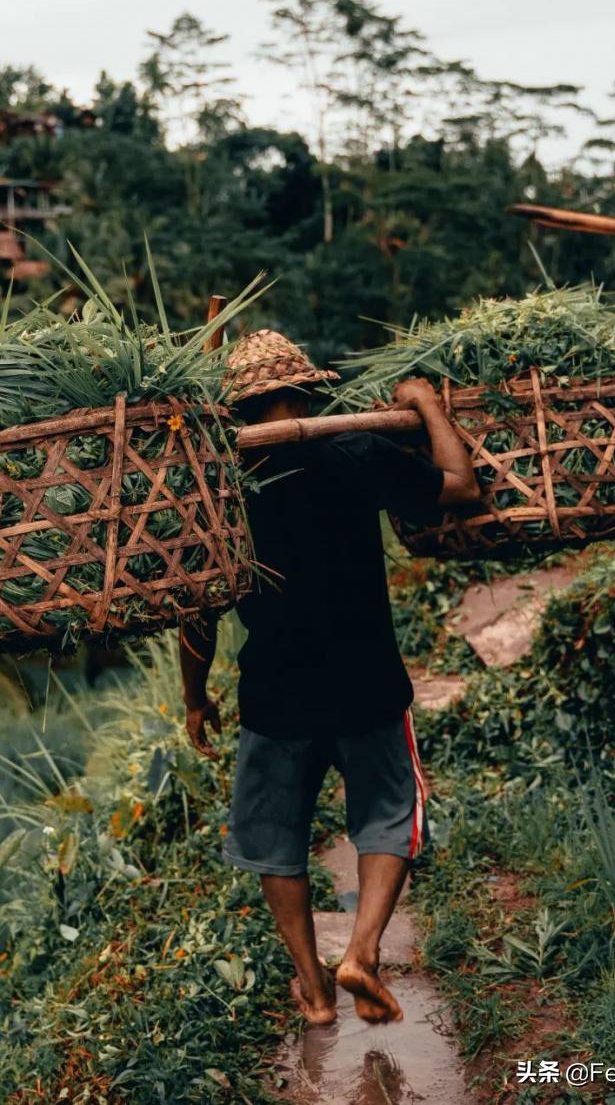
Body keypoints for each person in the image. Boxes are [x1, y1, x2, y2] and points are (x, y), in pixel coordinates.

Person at [178, 330, 479, 1027]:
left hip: (274, 691)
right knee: (388, 815)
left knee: (275, 839)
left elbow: (196, 609)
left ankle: (313, 990)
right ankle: (362, 953)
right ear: (306, 392)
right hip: (367, 680)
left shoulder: (221, 485)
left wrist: (195, 697)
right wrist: (426, 401)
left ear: (237, 409)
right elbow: (461, 486)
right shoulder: (357, 453)